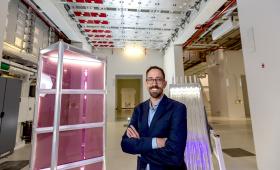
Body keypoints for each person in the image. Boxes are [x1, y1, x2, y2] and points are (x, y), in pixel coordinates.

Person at [121, 66, 187, 170]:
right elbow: (125, 144)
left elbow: (175, 155)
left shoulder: (177, 108)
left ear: (164, 83)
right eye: (150, 79)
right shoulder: (139, 109)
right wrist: (156, 142)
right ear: (146, 83)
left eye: (158, 79)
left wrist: (140, 148)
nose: (154, 83)